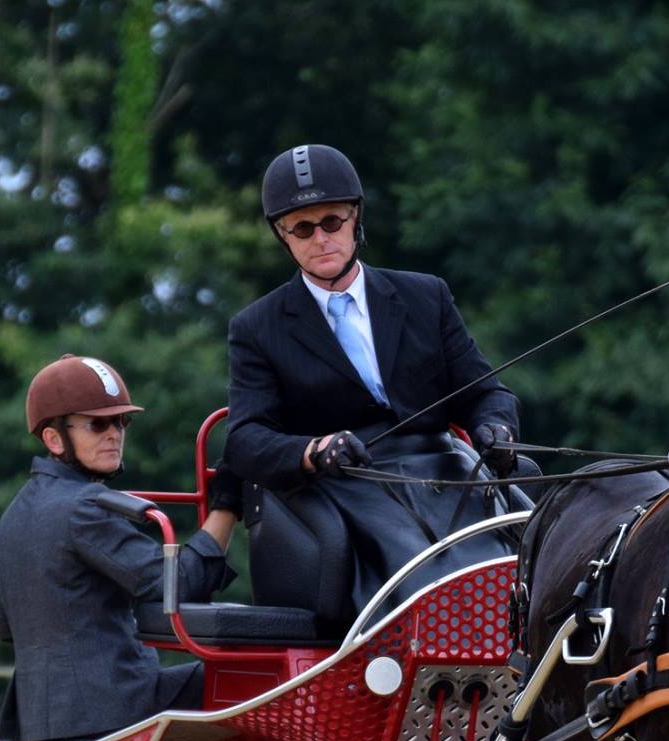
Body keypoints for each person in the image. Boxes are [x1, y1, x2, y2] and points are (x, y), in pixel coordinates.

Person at [225, 143, 530, 618]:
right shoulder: (257, 327)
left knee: (540, 542)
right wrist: (314, 450)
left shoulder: (426, 295)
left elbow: (486, 391)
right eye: (302, 228)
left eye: (332, 222)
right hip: (347, 479)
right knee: (424, 573)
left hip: (444, 468)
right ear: (283, 236)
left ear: (355, 219)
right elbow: (244, 439)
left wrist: (497, 428)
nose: (320, 239)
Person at [0, 354, 243, 741]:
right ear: (54, 439)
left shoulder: (13, 516)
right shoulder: (85, 507)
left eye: (121, 421)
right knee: (247, 675)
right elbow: (178, 584)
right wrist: (227, 506)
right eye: (98, 424)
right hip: (116, 710)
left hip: (37, 725)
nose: (114, 434)